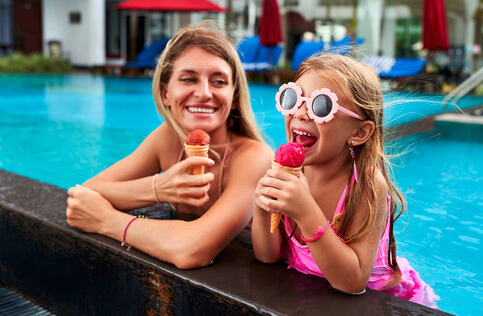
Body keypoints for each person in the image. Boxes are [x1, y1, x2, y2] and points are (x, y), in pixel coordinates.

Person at [66, 21, 273, 269]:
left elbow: (192, 250)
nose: (204, 92)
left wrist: (107, 221)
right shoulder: (166, 139)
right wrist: (158, 188)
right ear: (165, 93)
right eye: (188, 79)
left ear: (235, 97)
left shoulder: (254, 157)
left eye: (218, 82)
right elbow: (85, 194)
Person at [251, 53, 439, 307]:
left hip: (381, 302)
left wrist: (306, 213)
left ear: (359, 132)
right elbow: (268, 257)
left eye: (321, 106)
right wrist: (261, 208)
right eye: (294, 99)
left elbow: (352, 283)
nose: (302, 114)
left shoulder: (365, 185)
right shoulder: (292, 173)